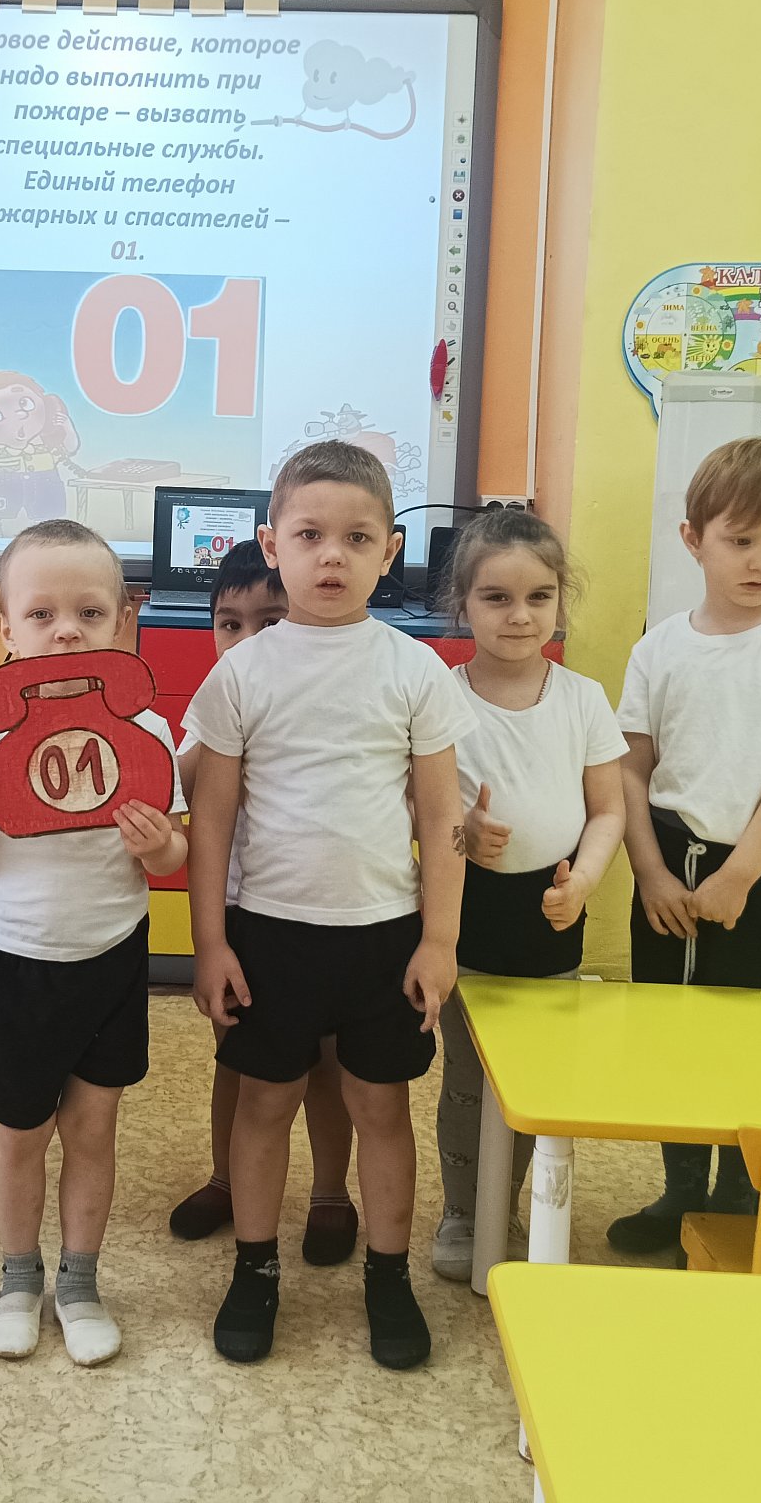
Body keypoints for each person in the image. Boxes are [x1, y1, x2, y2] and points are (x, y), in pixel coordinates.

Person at [185, 440, 471, 1369]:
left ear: (391, 550)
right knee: (264, 1104)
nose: (332, 556)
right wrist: (210, 945)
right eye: (309, 535)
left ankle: (387, 1276)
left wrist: (439, 940)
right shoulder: (242, 673)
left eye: (356, 538)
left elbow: (442, 817)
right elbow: (212, 820)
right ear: (273, 545)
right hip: (269, 933)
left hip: (384, 936)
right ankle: (255, 1269)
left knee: (381, 1108)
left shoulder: (415, 670)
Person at [0, 518, 187, 1366]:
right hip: (15, 959)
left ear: (123, 620)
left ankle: (80, 1282)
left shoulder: (148, 734)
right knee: (17, 1133)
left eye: (88, 612)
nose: (66, 630)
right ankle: (17, 1278)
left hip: (110, 956)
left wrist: (161, 845)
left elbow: (173, 859)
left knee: (93, 1128)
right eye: (41, 614)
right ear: (5, 628)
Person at [608, 438, 761, 1254]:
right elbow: (630, 768)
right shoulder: (660, 646)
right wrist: (649, 871)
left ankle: (744, 1196)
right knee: (674, 1037)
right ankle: (681, 1191)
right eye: (740, 540)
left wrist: (741, 875)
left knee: (755, 1040)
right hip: (670, 867)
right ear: (694, 539)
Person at [433, 509, 626, 1281]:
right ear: (463, 604)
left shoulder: (582, 698)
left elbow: (608, 809)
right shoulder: (440, 696)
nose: (520, 615)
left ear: (559, 601)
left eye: (539, 597)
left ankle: (509, 1211)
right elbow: (421, 806)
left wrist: (584, 881)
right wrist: (463, 833)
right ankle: (462, 1212)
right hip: (467, 912)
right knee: (468, 1081)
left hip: (552, 915)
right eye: (497, 597)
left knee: (534, 1081)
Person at [168, 540, 359, 1265]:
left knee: (327, 1064)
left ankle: (331, 1193)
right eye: (230, 624)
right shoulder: (218, 699)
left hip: (323, 913)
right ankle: (226, 1180)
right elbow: (180, 787)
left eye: (269, 622)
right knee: (238, 1059)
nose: (246, 639)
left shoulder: (323, 699)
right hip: (243, 916)